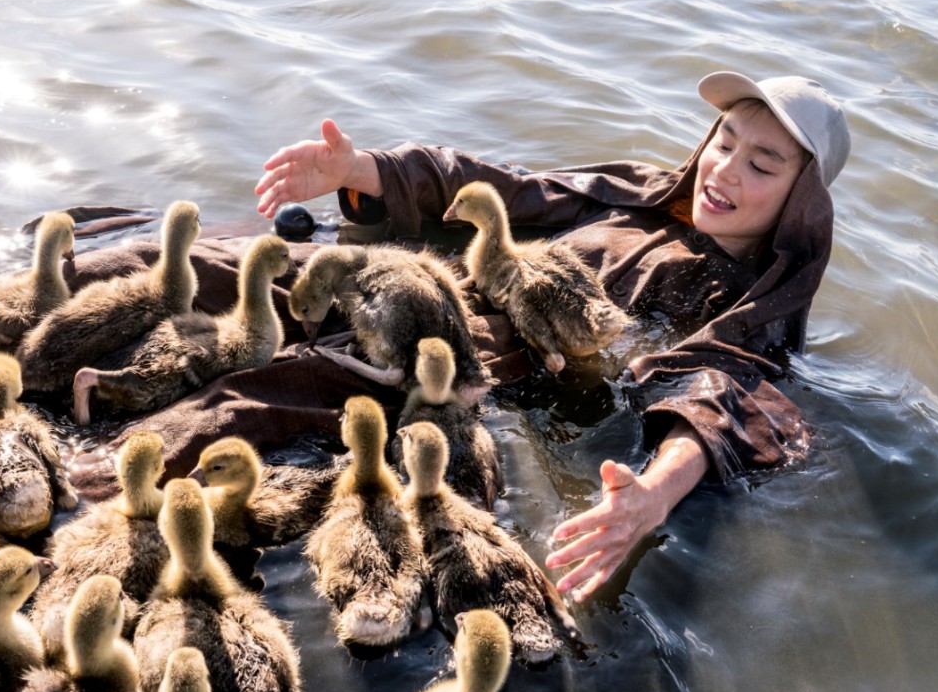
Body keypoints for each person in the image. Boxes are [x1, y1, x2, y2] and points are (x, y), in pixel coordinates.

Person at [254, 72, 850, 602]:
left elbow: (727, 392)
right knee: (225, 271)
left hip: (472, 365)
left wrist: (654, 494)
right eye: (723, 143)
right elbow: (510, 190)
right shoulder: (635, 195)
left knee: (256, 398)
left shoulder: (751, 305)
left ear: (800, 202)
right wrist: (364, 171)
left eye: (761, 165)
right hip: (419, 293)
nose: (725, 169)